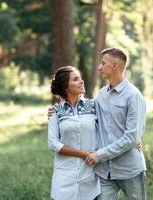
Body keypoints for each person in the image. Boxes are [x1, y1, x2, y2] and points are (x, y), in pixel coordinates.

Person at [85, 47, 147, 200]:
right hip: (105, 171)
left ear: (115, 66)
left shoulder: (133, 96)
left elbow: (131, 137)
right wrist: (58, 110)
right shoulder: (101, 94)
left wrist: (99, 155)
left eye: (103, 63)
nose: (99, 67)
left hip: (129, 169)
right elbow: (87, 115)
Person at [47, 66, 101, 200]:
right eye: (76, 79)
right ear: (66, 87)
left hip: (90, 174)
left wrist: (135, 139)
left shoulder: (94, 106)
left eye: (80, 78)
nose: (82, 81)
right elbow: (53, 144)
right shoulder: (56, 111)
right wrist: (82, 154)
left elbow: (110, 127)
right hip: (64, 175)